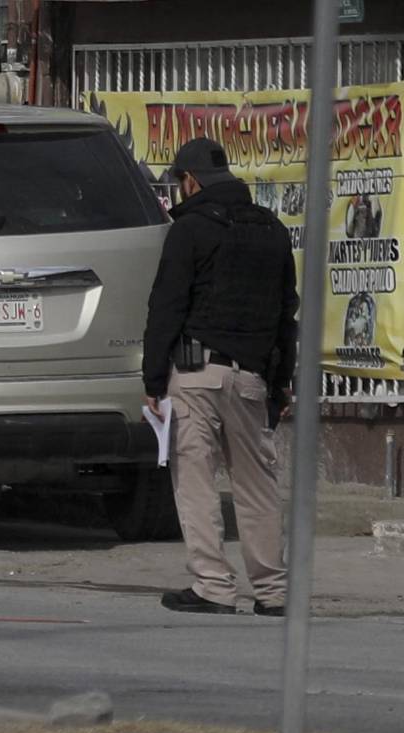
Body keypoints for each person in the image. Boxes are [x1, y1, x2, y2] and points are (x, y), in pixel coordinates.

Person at [142, 137, 298, 617]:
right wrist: (280, 383)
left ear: (191, 181)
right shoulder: (271, 229)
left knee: (197, 480)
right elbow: (284, 313)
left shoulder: (189, 230)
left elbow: (166, 306)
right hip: (252, 378)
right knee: (258, 486)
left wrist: (152, 380)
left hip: (194, 375)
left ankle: (213, 586)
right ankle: (273, 594)